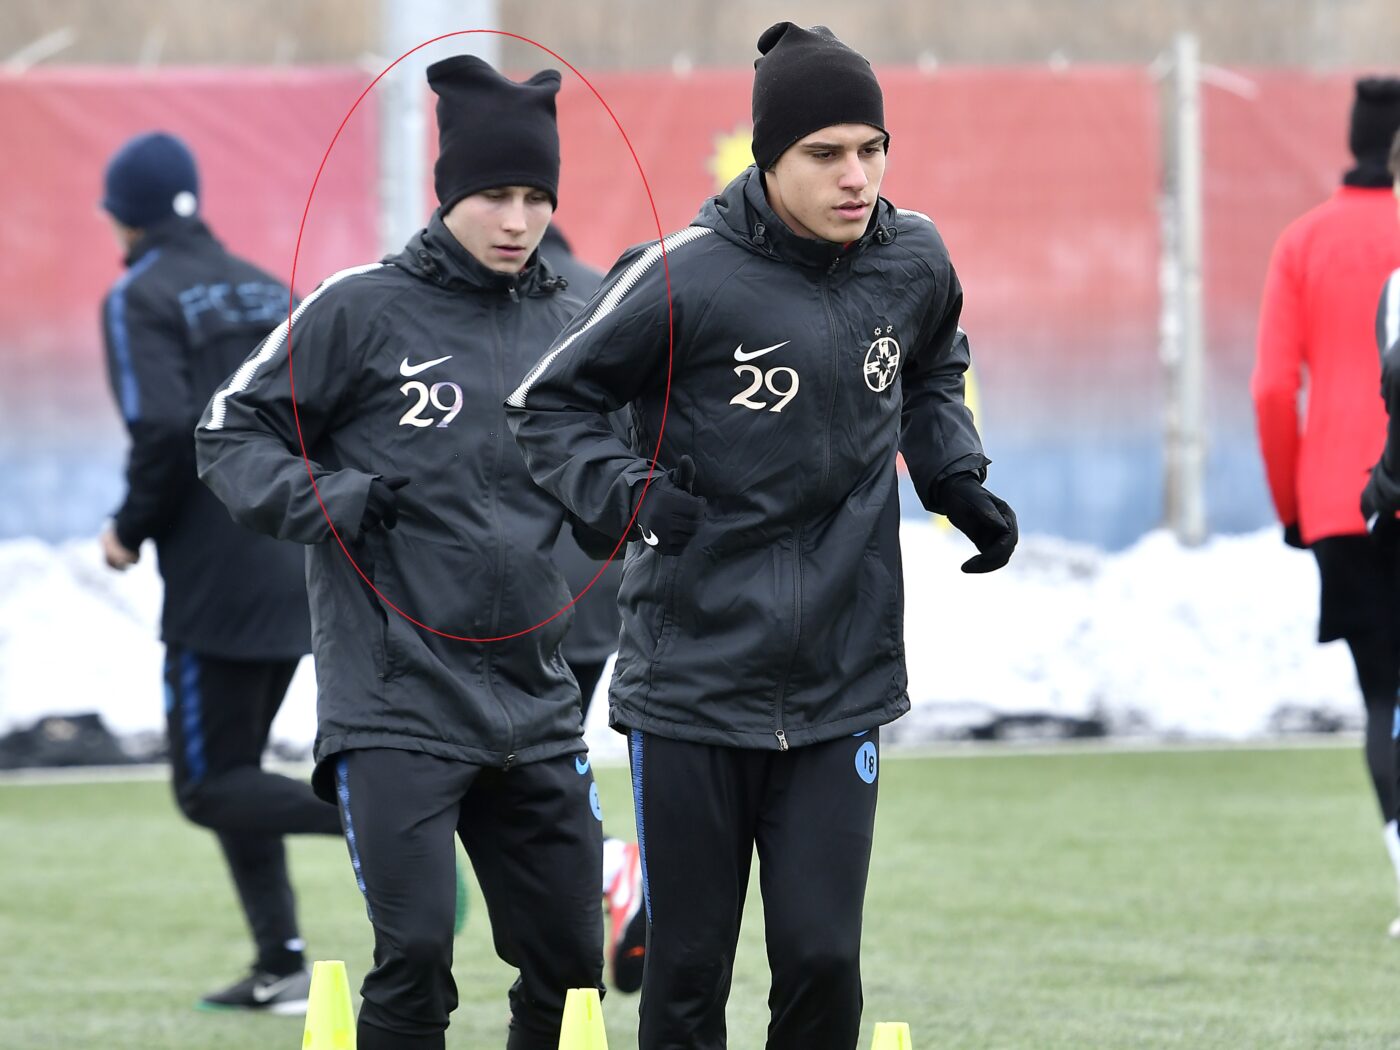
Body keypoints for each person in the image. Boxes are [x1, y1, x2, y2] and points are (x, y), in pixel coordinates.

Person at [507, 23, 1018, 1049]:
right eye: (825, 154)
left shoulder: (912, 257)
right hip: (692, 680)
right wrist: (626, 491)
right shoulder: (683, 275)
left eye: (871, 148)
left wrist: (951, 470)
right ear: (767, 157)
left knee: (824, 963)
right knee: (687, 977)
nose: (855, 175)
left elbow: (928, 363)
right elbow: (543, 408)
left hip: (841, 674)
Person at [195, 56, 604, 1050]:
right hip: (395, 701)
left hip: (535, 702)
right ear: (447, 193)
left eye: (534, 197)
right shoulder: (361, 308)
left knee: (569, 962)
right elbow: (228, 432)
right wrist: (337, 498)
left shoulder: (578, 320)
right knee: (416, 952)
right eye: (494, 196)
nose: (516, 220)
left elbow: (626, 463)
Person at [96, 131, 339, 1013]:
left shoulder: (139, 293)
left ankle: (373, 823)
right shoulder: (266, 284)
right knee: (237, 771)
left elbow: (163, 426)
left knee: (208, 787)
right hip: (298, 552)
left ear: (124, 216)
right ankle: (280, 964)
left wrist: (127, 529)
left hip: (215, 578)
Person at [1253, 77, 1400, 934]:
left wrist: (1294, 504)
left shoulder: (1304, 241)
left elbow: (1275, 388)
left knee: (1383, 694)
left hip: (1342, 501)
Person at [538, 225, 648, 993]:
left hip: (529, 578)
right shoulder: (611, 287)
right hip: (604, 570)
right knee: (548, 755)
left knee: (510, 770)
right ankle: (611, 867)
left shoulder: (499, 300)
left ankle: (610, 866)